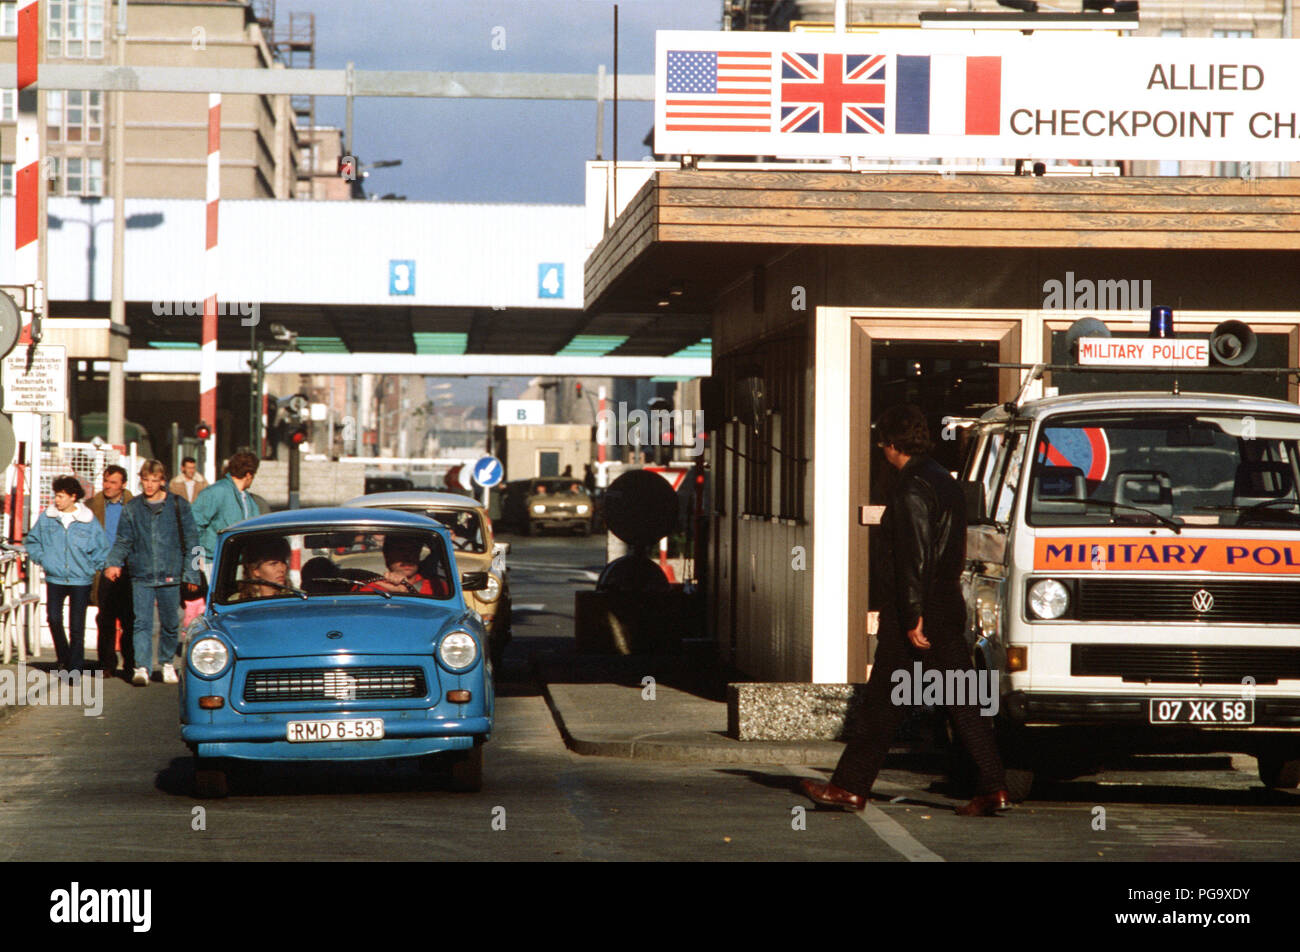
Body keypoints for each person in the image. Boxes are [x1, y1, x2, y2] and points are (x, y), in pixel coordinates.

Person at [799, 405, 1011, 817]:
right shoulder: (945, 481)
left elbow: (915, 557)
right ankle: (994, 786)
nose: (882, 450)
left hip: (916, 609)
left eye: (882, 443)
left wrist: (912, 616)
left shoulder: (911, 486)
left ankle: (850, 787)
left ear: (893, 445)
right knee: (963, 699)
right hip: (947, 600)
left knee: (882, 702)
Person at [104, 460, 201, 687]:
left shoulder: (179, 505)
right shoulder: (133, 508)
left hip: (171, 575)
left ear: (162, 481)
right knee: (141, 624)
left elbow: (193, 543)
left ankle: (167, 663)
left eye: (154, 480)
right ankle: (142, 668)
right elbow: (123, 540)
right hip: (141, 574)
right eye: (145, 480)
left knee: (170, 623)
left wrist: (192, 574)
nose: (149, 485)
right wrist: (114, 563)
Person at [24, 475, 110, 672]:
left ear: (73, 497)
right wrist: (42, 559)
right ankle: (64, 657)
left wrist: (95, 567)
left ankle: (75, 667)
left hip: (81, 579)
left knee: (77, 625)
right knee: (53, 618)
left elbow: (101, 548)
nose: (57, 500)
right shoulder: (47, 517)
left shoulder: (88, 520)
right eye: (56, 496)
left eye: (61, 496)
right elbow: (33, 540)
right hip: (55, 578)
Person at [88, 465, 135, 677]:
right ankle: (106, 663)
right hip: (104, 570)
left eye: (113, 482)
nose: (108, 486)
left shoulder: (134, 506)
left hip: (128, 570)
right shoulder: (92, 507)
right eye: (106, 481)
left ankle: (130, 662)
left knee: (129, 619)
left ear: (123, 485)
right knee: (105, 618)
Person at [191, 451, 260, 564]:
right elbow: (193, 525)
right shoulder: (216, 492)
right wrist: (197, 561)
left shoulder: (248, 499)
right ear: (248, 475)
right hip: (213, 562)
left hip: (238, 562)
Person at [354, 536, 445, 596]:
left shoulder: (437, 586)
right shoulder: (367, 587)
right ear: (388, 556)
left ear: (418, 554)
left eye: (413, 550)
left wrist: (408, 593)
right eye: (400, 551)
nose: (407, 557)